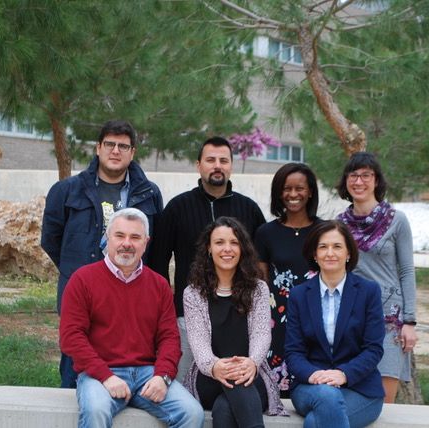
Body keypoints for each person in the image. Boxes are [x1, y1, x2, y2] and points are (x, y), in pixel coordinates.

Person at [41, 119, 163, 388]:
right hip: (82, 292)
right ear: (98, 148)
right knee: (75, 365)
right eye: (109, 144)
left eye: (123, 146)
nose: (115, 151)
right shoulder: (67, 190)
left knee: (128, 366)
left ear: (132, 152)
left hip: (130, 294)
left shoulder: (149, 193)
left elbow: (151, 244)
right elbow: (51, 240)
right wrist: (78, 273)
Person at [59, 208, 204, 428]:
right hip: (100, 373)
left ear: (146, 242)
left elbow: (169, 338)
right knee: (96, 410)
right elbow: (71, 337)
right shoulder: (82, 280)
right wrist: (106, 376)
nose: (127, 243)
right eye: (120, 236)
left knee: (192, 413)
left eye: (135, 237)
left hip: (148, 373)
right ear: (107, 238)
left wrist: (163, 376)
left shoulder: (159, 285)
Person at [148, 136, 266, 382]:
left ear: (231, 165)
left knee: (233, 379)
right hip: (187, 313)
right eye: (210, 160)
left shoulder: (249, 209)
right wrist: (168, 307)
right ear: (198, 165)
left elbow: (259, 262)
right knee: (185, 382)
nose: (217, 166)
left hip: (238, 314)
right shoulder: (177, 208)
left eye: (223, 160)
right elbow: (158, 262)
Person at [183, 217, 287, 427]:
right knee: (233, 378)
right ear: (209, 248)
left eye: (234, 242)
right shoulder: (193, 293)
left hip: (251, 374)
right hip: (210, 377)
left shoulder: (258, 289)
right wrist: (215, 366)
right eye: (219, 242)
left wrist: (252, 362)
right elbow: (199, 344)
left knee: (225, 409)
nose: (227, 249)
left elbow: (261, 334)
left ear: (242, 248)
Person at [285, 220, 385, 428]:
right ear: (315, 254)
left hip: (360, 388)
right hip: (311, 386)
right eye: (323, 247)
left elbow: (373, 349)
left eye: (337, 246)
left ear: (348, 253)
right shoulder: (299, 295)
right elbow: (294, 352)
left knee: (314, 423)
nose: (330, 253)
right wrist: (313, 375)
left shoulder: (369, 292)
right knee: (327, 395)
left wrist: (343, 374)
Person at [336, 151, 417, 403]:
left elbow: (407, 271)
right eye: (353, 175)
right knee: (351, 393)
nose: (359, 181)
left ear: (376, 181)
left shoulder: (397, 220)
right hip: (352, 317)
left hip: (389, 319)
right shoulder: (339, 225)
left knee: (384, 399)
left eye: (366, 175)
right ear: (346, 181)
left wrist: (410, 321)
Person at [253, 163, 320, 396]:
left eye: (299, 188)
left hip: (315, 317)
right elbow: (261, 282)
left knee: (315, 383)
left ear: (310, 191)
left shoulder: (324, 231)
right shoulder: (265, 233)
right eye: (286, 188)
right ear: (279, 193)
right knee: (276, 390)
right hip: (277, 321)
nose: (293, 194)